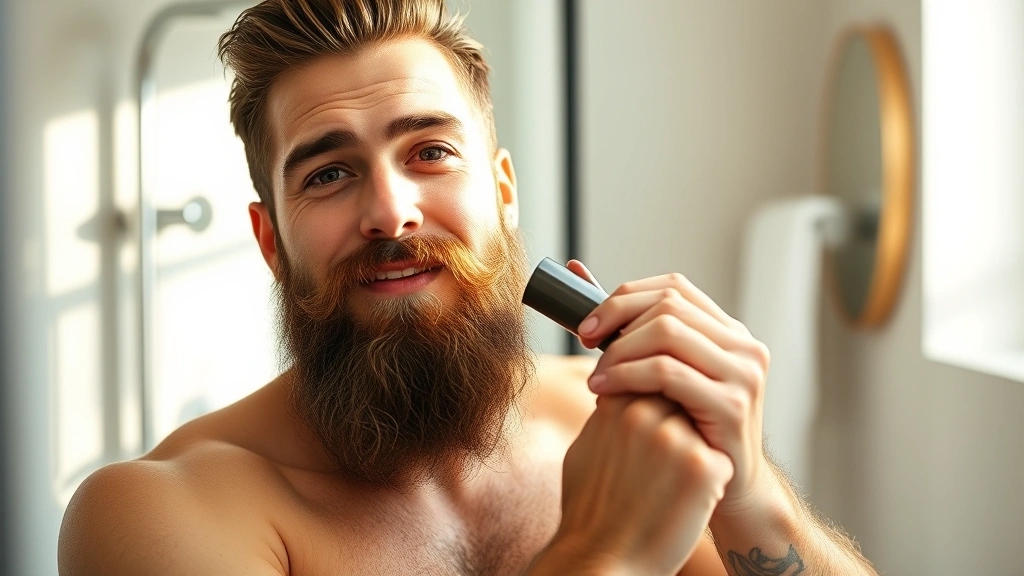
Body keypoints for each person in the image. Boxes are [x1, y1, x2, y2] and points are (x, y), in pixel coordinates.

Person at [58, 1, 877, 574]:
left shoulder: (616, 425)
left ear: (504, 192)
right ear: (271, 239)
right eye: (330, 173)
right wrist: (606, 552)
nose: (391, 213)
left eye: (430, 153)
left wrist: (753, 490)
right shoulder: (159, 513)